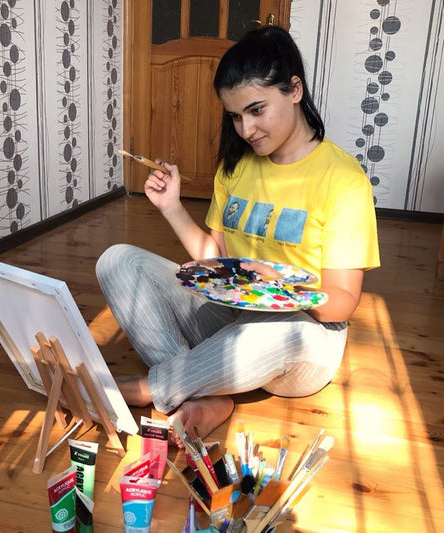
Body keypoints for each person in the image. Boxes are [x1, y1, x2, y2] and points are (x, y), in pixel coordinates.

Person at [96, 25, 380, 444]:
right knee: (117, 261)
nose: (246, 130)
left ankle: (154, 387)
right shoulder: (237, 165)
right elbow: (215, 262)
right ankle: (206, 396)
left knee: (279, 327)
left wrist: (280, 289)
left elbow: (341, 303)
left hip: (300, 338)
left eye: (256, 110)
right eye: (235, 116)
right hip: (232, 317)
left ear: (294, 89)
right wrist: (172, 207)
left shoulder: (343, 181)